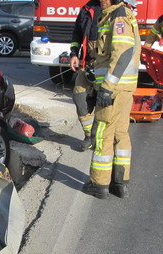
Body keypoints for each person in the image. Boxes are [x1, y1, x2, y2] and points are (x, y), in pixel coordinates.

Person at [82, 0, 139, 200]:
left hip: (114, 90)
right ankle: (120, 183)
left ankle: (99, 184)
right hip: (122, 88)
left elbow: (122, 54)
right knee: (120, 134)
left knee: (102, 134)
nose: (100, 1)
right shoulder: (117, 14)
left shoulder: (118, 16)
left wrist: (106, 88)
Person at [69, 0, 103, 150]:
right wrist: (74, 54)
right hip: (87, 63)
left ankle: (101, 138)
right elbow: (77, 33)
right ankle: (89, 135)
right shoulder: (86, 9)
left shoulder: (117, 11)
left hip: (105, 65)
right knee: (79, 97)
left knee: (103, 103)